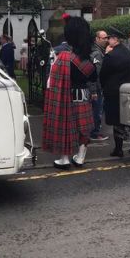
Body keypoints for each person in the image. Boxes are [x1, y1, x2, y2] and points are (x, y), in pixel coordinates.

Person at [41, 16, 96, 168]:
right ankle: (80, 157)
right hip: (83, 97)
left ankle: (64, 159)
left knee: (65, 127)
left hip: (65, 98)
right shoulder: (87, 59)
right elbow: (93, 76)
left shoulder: (63, 57)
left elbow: (52, 78)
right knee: (83, 129)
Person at [99, 28, 130, 158]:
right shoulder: (128, 53)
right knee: (128, 119)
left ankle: (118, 148)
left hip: (113, 92)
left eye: (109, 38)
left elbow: (102, 74)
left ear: (115, 39)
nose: (108, 41)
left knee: (116, 121)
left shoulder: (111, 55)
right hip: (127, 90)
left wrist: (104, 87)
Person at [88, 30, 109, 140]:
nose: (106, 40)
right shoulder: (97, 53)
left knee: (96, 111)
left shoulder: (100, 51)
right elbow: (96, 73)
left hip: (97, 87)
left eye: (106, 38)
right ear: (97, 39)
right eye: (103, 38)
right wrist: (94, 90)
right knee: (97, 111)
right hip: (97, 88)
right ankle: (94, 133)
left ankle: (93, 132)